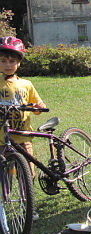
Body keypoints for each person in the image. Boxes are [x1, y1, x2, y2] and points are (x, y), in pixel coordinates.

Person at [0, 37, 46, 221]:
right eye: (3, 60)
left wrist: (39, 107)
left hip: (23, 137)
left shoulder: (26, 84)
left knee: (27, 174)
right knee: (4, 175)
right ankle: (4, 205)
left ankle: (28, 207)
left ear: (19, 62)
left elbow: (38, 104)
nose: (7, 64)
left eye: (12, 61)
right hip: (1, 139)